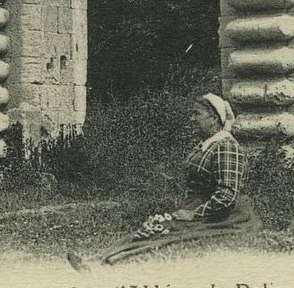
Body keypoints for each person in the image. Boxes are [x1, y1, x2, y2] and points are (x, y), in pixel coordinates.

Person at [67, 93, 258, 270]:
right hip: (202, 209)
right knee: (154, 227)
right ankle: (96, 259)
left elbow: (227, 195)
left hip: (226, 216)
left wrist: (194, 214)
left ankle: (110, 263)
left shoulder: (227, 147)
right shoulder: (209, 145)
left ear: (214, 118)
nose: (192, 119)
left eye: (196, 114)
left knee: (164, 233)